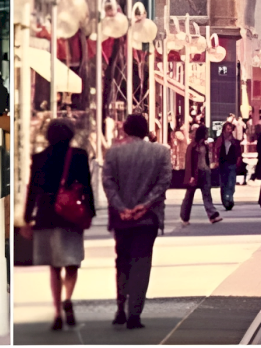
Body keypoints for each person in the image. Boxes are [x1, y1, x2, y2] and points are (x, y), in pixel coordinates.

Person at [21, 118, 93, 331]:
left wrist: (27, 218)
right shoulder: (79, 156)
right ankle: (68, 298)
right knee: (72, 263)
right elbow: (87, 187)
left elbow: (32, 189)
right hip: (71, 217)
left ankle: (56, 311)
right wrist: (89, 213)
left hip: (46, 217)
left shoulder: (40, 157)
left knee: (54, 266)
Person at [101, 113, 171, 330]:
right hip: (147, 219)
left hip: (121, 218)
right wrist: (145, 205)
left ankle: (120, 307)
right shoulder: (161, 152)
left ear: (126, 129)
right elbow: (163, 182)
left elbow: (108, 182)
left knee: (122, 261)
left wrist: (122, 208)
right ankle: (135, 313)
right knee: (141, 263)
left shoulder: (114, 152)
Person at [180, 125, 223, 224]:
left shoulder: (205, 145)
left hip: (205, 171)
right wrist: (190, 175)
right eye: (206, 133)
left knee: (207, 194)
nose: (207, 135)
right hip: (195, 173)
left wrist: (209, 167)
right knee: (189, 196)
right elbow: (189, 161)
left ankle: (212, 215)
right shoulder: (192, 146)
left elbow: (207, 158)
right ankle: (184, 216)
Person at [216, 123, 243, 211]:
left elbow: (238, 153)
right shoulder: (220, 140)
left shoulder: (235, 142)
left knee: (231, 183)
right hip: (222, 164)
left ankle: (229, 198)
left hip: (231, 163)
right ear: (224, 130)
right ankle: (225, 200)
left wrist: (238, 161)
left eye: (230, 129)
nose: (229, 131)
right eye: (227, 129)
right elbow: (216, 151)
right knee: (223, 183)